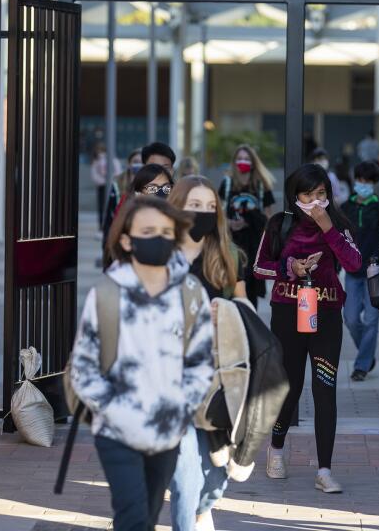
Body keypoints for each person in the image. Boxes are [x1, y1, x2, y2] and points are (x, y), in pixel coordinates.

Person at [70, 196, 214, 531]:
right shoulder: (107, 293)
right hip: (117, 430)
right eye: (148, 230)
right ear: (126, 239)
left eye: (166, 231)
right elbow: (84, 367)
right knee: (132, 517)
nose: (159, 237)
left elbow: (201, 361)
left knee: (147, 514)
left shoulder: (190, 292)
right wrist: (117, 410)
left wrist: (179, 407)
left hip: (168, 429)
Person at [253, 163, 362, 493]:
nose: (315, 201)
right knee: (290, 386)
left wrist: (327, 226)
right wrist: (291, 268)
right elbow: (259, 267)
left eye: (321, 194)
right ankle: (275, 449)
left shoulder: (338, 224)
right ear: (294, 196)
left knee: (325, 388)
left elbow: (354, 264)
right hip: (287, 314)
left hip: (326, 316)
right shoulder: (280, 224)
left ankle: (325, 469)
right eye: (308, 194)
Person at [167, 176, 246, 531]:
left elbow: (244, 306)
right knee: (184, 476)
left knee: (214, 480)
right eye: (193, 206)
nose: (201, 213)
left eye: (209, 207)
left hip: (216, 380)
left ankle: (202, 511)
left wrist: (228, 312)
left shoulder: (227, 256)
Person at [340, 160, 379, 382]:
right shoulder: (344, 209)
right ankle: (367, 356)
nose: (363, 184)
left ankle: (361, 366)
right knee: (350, 318)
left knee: (371, 320)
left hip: (375, 274)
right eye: (360, 180)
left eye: (368, 181)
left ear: (374, 183)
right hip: (351, 272)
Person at [218, 145, 276, 308]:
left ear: (253, 162)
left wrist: (251, 220)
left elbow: (268, 216)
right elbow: (219, 211)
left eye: (246, 158)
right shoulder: (228, 183)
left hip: (253, 245)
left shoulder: (261, 185)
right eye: (239, 158)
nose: (242, 162)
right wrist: (230, 223)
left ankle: (249, 326)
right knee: (230, 285)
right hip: (231, 243)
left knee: (250, 290)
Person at [103, 165, 175, 269]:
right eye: (152, 188)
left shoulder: (178, 221)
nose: (160, 193)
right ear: (138, 193)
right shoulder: (127, 223)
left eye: (166, 188)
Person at [101, 149, 142, 250]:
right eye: (135, 162)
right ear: (129, 164)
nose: (139, 165)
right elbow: (109, 218)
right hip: (120, 234)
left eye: (142, 162)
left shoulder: (150, 185)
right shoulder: (118, 184)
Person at [91, 144, 123, 229]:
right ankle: (102, 226)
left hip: (112, 186)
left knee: (113, 205)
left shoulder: (113, 160)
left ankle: (111, 224)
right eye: (98, 150)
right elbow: (94, 174)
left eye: (101, 150)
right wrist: (104, 181)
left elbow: (118, 172)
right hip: (102, 186)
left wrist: (110, 180)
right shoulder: (96, 161)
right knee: (101, 207)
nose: (100, 153)